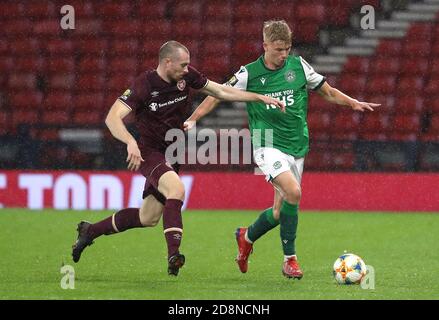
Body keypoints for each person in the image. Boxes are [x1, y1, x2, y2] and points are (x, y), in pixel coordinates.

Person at [184, 20, 380, 279]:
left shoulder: (299, 66)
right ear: (265, 45)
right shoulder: (249, 73)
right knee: (293, 191)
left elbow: (328, 92)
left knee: (279, 212)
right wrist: (194, 118)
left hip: (297, 145)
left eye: (287, 48)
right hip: (267, 144)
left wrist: (351, 102)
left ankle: (246, 237)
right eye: (278, 49)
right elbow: (216, 94)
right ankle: (290, 260)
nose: (284, 54)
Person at [71, 40, 284, 276]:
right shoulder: (144, 85)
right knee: (177, 190)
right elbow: (112, 118)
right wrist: (130, 141)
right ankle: (174, 255)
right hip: (149, 153)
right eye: (183, 65)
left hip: (173, 152)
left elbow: (220, 90)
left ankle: (90, 231)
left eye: (188, 65)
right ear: (167, 62)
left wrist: (259, 97)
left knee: (148, 217)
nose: (187, 69)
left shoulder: (186, 76)